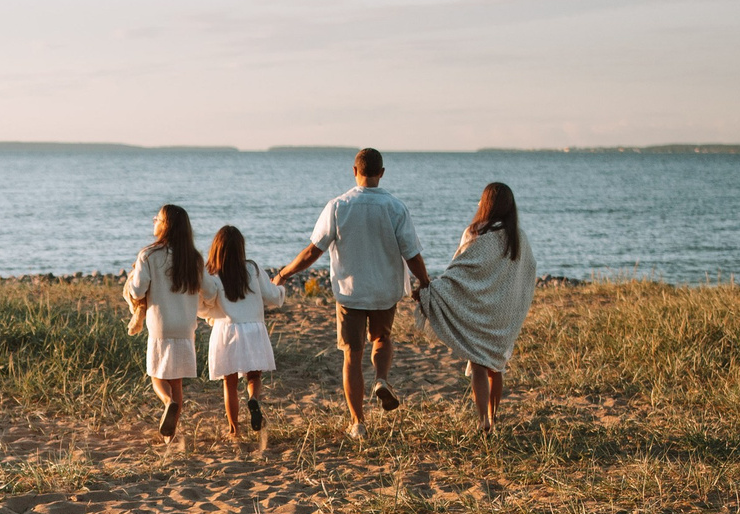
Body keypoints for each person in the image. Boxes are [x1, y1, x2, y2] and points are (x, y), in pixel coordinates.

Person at [273, 147, 428, 434]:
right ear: (381, 173)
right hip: (385, 291)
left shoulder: (338, 206)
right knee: (382, 338)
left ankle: (358, 422)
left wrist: (284, 273)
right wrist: (425, 283)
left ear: (354, 171)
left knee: (352, 356)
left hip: (350, 292)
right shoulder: (395, 207)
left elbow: (313, 251)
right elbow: (412, 254)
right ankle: (381, 378)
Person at [414, 181, 536, 434]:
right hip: (503, 312)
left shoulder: (475, 232)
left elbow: (460, 270)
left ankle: (483, 421)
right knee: (496, 365)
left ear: (486, 204)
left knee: (479, 365)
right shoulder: (518, 236)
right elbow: (526, 272)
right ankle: (493, 417)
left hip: (479, 309)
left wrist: (432, 289)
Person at [124, 204, 203, 439]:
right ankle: (171, 436)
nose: (154, 222)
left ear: (165, 224)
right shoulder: (194, 258)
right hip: (186, 326)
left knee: (157, 376)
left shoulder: (148, 255)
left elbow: (137, 290)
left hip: (161, 324)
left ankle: (167, 402)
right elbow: (206, 288)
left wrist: (131, 281)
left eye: (156, 218)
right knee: (176, 380)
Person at [199, 224, 282, 438]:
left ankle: (234, 429)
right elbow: (273, 297)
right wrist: (280, 288)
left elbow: (203, 306)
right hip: (253, 329)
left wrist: (210, 314)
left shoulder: (213, 275)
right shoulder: (252, 269)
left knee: (230, 383)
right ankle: (253, 399)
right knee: (253, 377)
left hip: (226, 332)